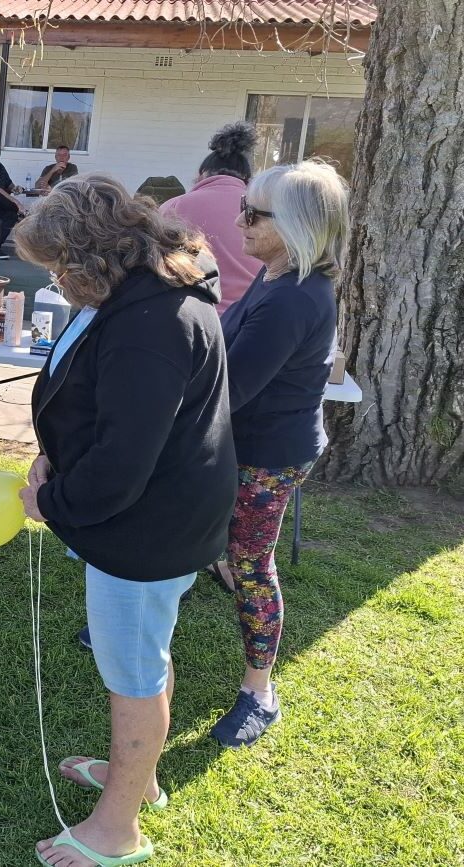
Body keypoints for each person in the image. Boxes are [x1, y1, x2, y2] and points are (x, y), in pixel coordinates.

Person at [16, 174, 236, 866]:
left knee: (133, 669)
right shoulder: (144, 292)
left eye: (57, 270)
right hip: (165, 516)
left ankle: (118, 829)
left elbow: (121, 462)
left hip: (147, 529)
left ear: (86, 258)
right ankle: (138, 778)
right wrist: (57, 457)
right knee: (147, 653)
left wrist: (50, 502)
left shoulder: (151, 324)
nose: (57, 283)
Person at [210, 160, 349, 749]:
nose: (239, 221)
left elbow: (230, 388)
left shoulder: (292, 298)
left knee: (250, 563)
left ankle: (260, 691)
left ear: (293, 225)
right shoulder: (275, 277)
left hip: (269, 455)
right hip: (247, 443)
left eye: (254, 214)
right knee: (218, 543)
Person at [160, 122, 262, 315]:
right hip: (250, 319)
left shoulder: (174, 207)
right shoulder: (262, 211)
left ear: (202, 174)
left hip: (191, 317)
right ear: (247, 178)